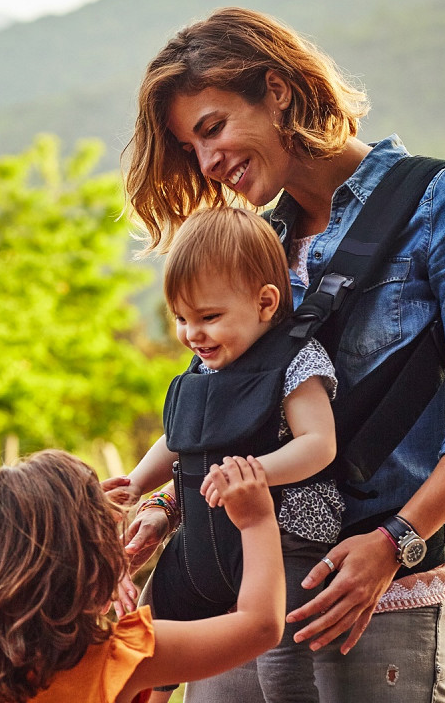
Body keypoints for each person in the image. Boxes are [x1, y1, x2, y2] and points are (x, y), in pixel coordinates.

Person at [121, 6, 445, 702]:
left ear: (277, 91)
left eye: (213, 128)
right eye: (191, 148)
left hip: (371, 595)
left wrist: (395, 541)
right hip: (238, 590)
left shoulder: (441, 201)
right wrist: (164, 503)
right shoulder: (257, 242)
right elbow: (221, 407)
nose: (208, 162)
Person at [108, 206, 338, 702]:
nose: (193, 334)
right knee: (143, 641)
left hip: (283, 535)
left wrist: (255, 474)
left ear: (265, 302)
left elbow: (319, 444)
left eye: (209, 318)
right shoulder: (202, 369)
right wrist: (137, 483)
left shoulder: (295, 360)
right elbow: (177, 438)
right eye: (181, 319)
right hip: (201, 535)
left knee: (281, 660)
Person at [0, 450, 284, 703]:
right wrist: (256, 520)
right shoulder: (122, 657)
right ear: (87, 567)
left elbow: (17, 541)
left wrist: (78, 518)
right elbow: (261, 626)